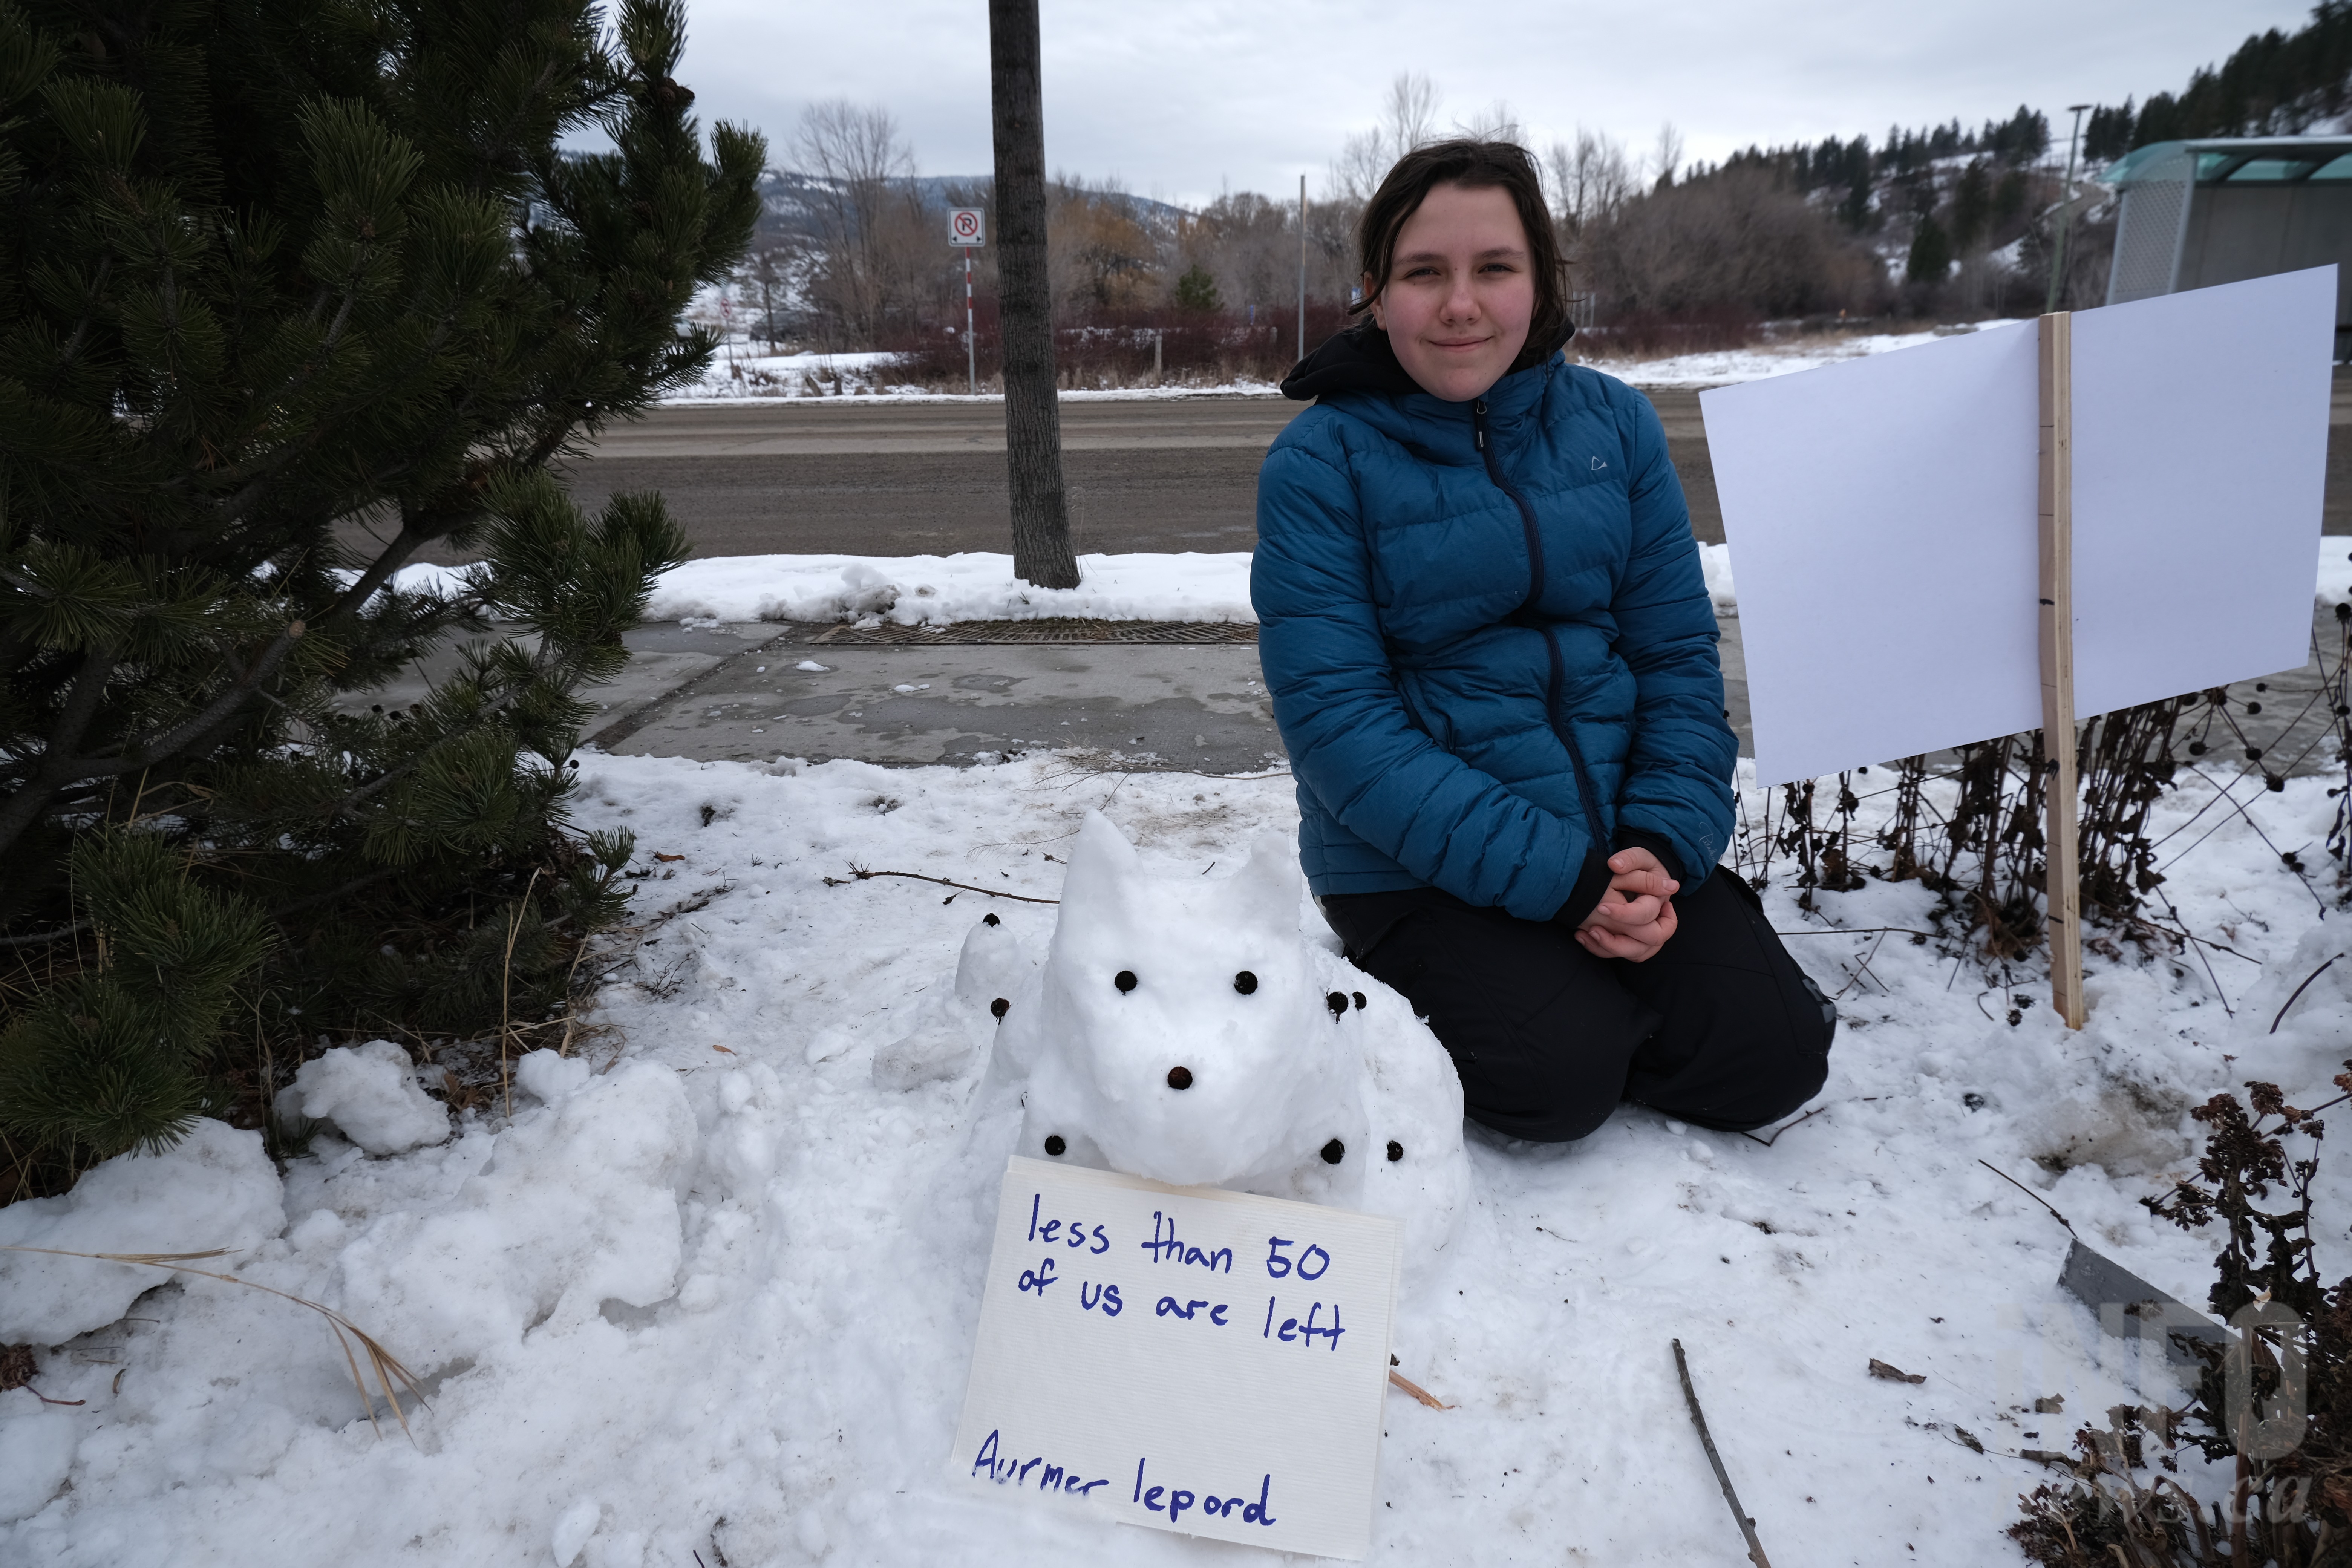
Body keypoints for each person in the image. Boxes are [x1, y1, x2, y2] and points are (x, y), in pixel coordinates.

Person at [1251, 139, 1833, 1143]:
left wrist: (1657, 848)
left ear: (1541, 282)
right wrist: (1564, 887)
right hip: (1415, 868)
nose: (1460, 305)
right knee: (1554, 1085)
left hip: (1619, 837)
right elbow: (1343, 730)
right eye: (1424, 273)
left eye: (1495, 269)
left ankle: (1594, 981)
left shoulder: (1618, 425)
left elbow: (1677, 664)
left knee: (1773, 1057)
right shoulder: (1320, 463)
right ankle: (1517, 997)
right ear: (1376, 293)